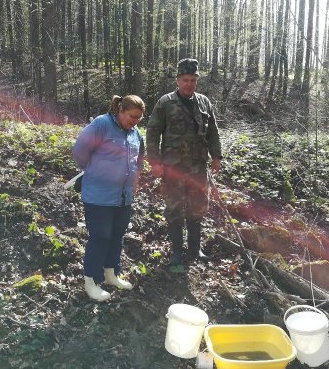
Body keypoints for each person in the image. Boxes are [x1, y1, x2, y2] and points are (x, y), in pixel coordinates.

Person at [146, 58, 222, 267]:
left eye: (193, 80)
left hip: (198, 167)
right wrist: (154, 162)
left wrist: (217, 156)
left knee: (197, 209)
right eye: (185, 80)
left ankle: (195, 251)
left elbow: (213, 131)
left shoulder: (204, 102)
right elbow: (152, 133)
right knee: (174, 209)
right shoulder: (165, 102)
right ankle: (177, 253)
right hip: (173, 169)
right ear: (178, 80)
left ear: (197, 80)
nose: (189, 84)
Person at [73, 95, 145, 301]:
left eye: (139, 118)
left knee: (117, 235)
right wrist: (94, 170)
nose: (135, 121)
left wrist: (134, 186)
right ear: (120, 110)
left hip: (123, 197)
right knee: (100, 237)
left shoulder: (136, 133)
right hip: (98, 196)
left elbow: (139, 160)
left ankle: (111, 275)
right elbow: (79, 151)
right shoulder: (102, 124)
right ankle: (92, 282)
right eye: (132, 116)